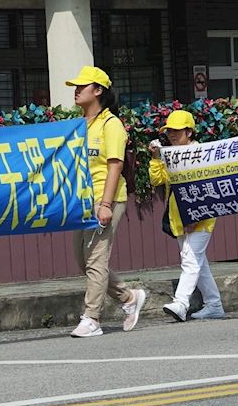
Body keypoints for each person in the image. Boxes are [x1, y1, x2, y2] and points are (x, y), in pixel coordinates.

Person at [65, 66, 147, 337]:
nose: (77, 91)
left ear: (98, 90)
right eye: (76, 86)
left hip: (106, 198)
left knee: (96, 260)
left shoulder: (111, 124)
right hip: (82, 201)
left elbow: (115, 166)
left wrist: (105, 205)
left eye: (82, 86)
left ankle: (91, 318)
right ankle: (129, 298)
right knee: (83, 261)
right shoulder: (79, 124)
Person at [150, 110, 225, 322]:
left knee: (190, 259)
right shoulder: (170, 154)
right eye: (169, 131)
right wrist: (156, 159)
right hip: (180, 217)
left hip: (201, 218)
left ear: (189, 132)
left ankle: (181, 303)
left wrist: (196, 216)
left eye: (177, 131)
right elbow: (157, 180)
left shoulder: (200, 154)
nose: (172, 135)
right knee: (198, 263)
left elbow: (206, 187)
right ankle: (214, 305)